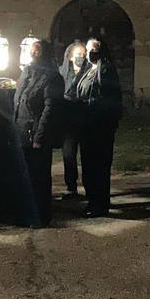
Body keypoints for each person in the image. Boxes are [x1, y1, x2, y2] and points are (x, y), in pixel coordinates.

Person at [13, 39, 64, 226]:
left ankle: (41, 215)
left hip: (36, 135)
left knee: (39, 178)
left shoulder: (52, 78)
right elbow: (18, 102)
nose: (33, 53)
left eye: (36, 50)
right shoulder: (27, 72)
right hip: (21, 132)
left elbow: (50, 109)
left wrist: (39, 136)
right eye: (32, 50)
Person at [75, 37, 123, 218]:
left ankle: (100, 204)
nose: (88, 54)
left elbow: (109, 99)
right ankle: (93, 201)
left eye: (92, 50)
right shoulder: (88, 70)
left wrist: (89, 106)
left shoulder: (106, 71)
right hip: (87, 126)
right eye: (87, 50)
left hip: (99, 128)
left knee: (99, 166)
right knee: (88, 166)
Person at [59, 41, 89, 199]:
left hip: (84, 119)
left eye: (84, 55)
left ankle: (90, 186)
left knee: (86, 155)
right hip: (68, 121)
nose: (81, 58)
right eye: (78, 55)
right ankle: (71, 186)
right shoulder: (62, 73)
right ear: (70, 56)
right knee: (69, 155)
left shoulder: (89, 72)